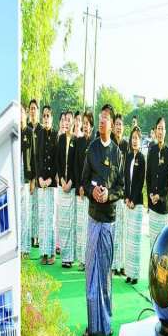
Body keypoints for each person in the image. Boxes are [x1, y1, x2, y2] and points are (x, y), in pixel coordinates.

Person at [81, 104, 124, 336]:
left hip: (109, 220)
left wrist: (109, 195)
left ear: (112, 123)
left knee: (106, 272)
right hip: (93, 218)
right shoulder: (92, 149)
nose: (101, 121)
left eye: (106, 118)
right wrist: (93, 191)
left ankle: (106, 325)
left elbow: (121, 188)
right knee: (91, 269)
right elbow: (84, 180)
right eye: (100, 118)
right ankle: (92, 325)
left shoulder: (118, 154)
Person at [146, 117, 168, 250]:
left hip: (164, 208)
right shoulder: (151, 151)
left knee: (164, 246)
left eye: (162, 129)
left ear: (165, 132)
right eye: (158, 128)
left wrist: (159, 196)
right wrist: (151, 195)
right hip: (153, 206)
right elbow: (148, 177)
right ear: (155, 131)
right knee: (153, 244)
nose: (160, 131)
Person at [124, 126, 146, 285]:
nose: (134, 141)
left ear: (140, 140)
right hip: (128, 202)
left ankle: (135, 274)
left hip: (137, 204)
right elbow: (126, 179)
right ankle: (129, 272)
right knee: (128, 239)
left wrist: (132, 199)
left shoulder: (142, 158)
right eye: (133, 138)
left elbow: (139, 182)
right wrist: (126, 197)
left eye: (137, 138)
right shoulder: (129, 156)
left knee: (135, 240)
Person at [36, 105, 58, 265]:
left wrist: (50, 179)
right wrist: (39, 178)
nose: (45, 118)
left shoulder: (56, 135)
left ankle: (51, 253)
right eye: (44, 116)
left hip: (51, 183)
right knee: (42, 218)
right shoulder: (39, 134)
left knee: (50, 219)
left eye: (48, 116)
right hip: (41, 183)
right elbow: (36, 158)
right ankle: (43, 252)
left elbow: (57, 160)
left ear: (52, 118)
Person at [74, 112, 95, 271]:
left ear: (92, 126)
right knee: (81, 226)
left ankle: (90, 260)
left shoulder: (95, 143)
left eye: (88, 123)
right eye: (84, 123)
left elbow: (95, 170)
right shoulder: (79, 142)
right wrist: (80, 185)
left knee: (90, 227)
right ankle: (82, 260)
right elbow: (76, 166)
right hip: (80, 191)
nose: (86, 126)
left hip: (91, 192)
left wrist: (88, 187)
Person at [56, 110, 77, 268]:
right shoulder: (61, 139)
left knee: (70, 223)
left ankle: (70, 258)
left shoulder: (77, 140)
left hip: (72, 187)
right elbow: (58, 161)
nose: (67, 122)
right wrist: (62, 181)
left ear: (74, 122)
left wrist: (70, 182)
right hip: (62, 185)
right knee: (62, 222)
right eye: (65, 120)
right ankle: (64, 256)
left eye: (70, 120)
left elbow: (77, 165)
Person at [112, 115, 128, 276]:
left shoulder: (126, 146)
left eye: (120, 124)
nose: (118, 127)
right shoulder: (109, 144)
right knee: (112, 230)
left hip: (122, 195)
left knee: (122, 231)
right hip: (111, 195)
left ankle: (121, 265)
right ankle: (112, 264)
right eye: (116, 124)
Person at [20, 104, 35, 258]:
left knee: (26, 213)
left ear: (25, 115)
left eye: (21, 112)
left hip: (26, 177)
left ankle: (25, 248)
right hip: (16, 179)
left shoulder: (29, 132)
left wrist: (33, 179)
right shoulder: (16, 132)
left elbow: (33, 157)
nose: (19, 115)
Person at [28, 99, 41, 248]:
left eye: (34, 108)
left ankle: (37, 236)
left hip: (39, 176)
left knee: (38, 207)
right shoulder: (25, 128)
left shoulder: (41, 129)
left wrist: (36, 177)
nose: (32, 111)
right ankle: (30, 236)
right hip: (28, 175)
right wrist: (30, 178)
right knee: (29, 207)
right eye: (30, 108)